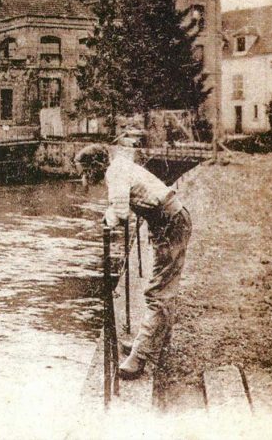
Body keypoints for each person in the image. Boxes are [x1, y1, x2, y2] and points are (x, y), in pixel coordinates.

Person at [75, 142, 193, 380]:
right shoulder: (119, 167)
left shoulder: (115, 173)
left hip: (170, 224)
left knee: (157, 292)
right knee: (161, 288)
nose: (84, 178)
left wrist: (107, 219)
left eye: (84, 172)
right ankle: (151, 343)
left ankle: (140, 356)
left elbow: (119, 212)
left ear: (94, 167)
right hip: (168, 221)